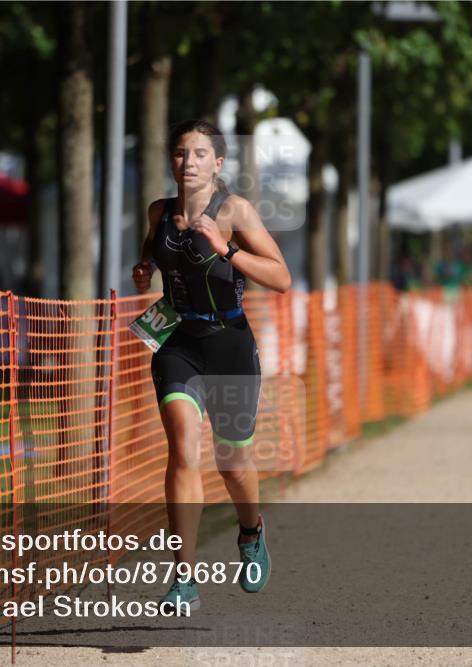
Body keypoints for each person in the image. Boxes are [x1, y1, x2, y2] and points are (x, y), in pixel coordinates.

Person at [131, 119, 292, 614]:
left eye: (200, 154)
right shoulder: (159, 212)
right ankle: (184, 578)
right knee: (183, 450)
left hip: (229, 346)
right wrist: (145, 270)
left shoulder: (234, 210)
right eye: (181, 153)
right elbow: (152, 253)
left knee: (232, 464)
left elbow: (281, 277)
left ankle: (251, 530)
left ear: (218, 162)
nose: (189, 162)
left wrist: (229, 250)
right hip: (178, 342)